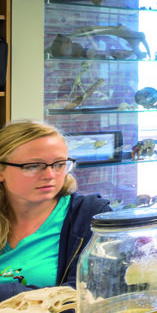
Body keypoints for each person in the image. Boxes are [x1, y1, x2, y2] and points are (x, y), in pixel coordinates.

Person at [0, 121, 112, 300]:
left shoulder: (90, 215)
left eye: (59, 164)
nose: (50, 175)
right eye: (32, 166)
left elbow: (84, 296)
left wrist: (11, 293)